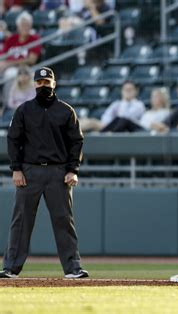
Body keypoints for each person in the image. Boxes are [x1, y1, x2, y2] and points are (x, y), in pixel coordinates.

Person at [0, 67, 88, 279]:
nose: (43, 86)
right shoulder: (24, 110)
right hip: (29, 172)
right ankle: (11, 268)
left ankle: (73, 268)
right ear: (34, 84)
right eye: (39, 83)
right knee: (21, 221)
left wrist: (72, 170)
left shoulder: (66, 111)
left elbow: (76, 142)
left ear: (54, 84)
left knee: (64, 221)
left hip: (59, 173)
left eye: (47, 83)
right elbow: (13, 140)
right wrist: (16, 169)